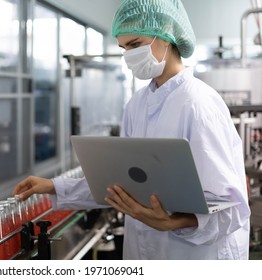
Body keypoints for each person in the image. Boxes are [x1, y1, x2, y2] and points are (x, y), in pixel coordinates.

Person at [13, 0, 251, 259]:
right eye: (123, 47)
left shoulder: (199, 104)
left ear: (167, 33)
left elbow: (232, 209)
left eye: (135, 44)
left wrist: (171, 222)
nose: (128, 55)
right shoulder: (138, 104)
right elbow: (119, 184)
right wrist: (53, 186)